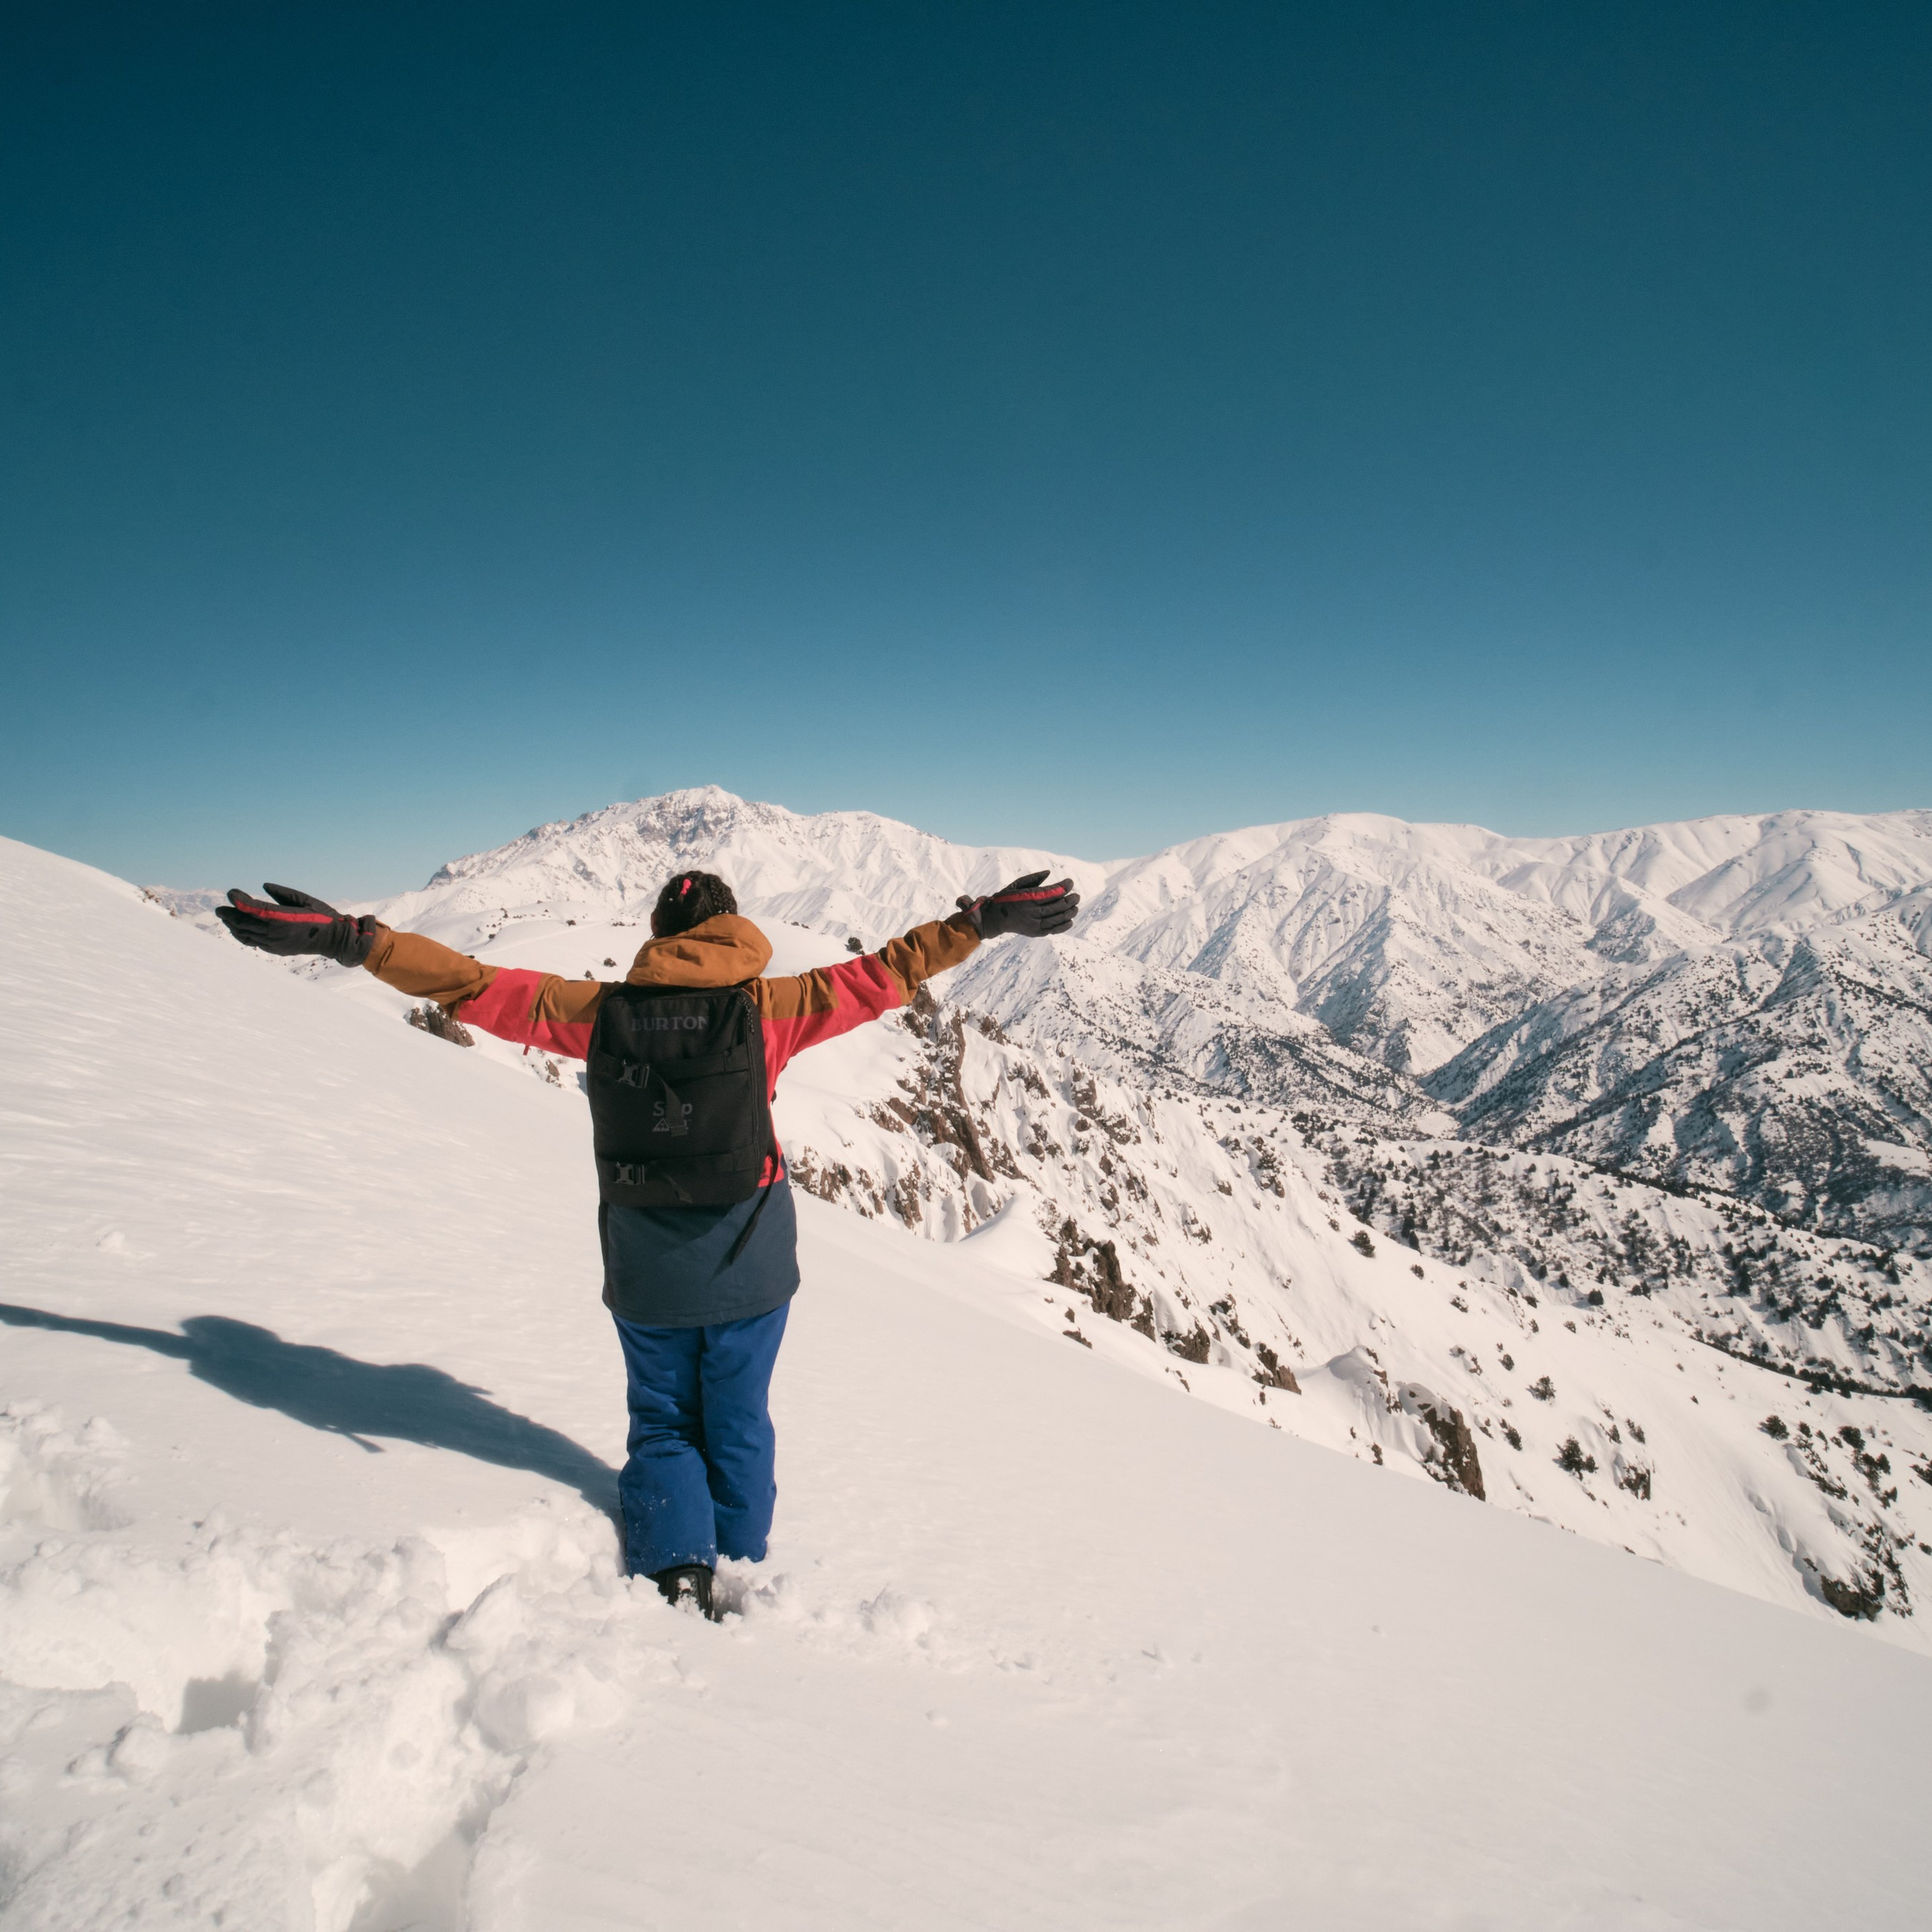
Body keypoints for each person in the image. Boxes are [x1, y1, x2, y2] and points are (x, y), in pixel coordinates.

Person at [214, 865, 1080, 1617]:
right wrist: (979, 923)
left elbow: (470, 986)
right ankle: (742, 1560)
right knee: (738, 1415)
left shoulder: (597, 1013)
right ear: (734, 930)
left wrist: (355, 941)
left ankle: (676, 1568)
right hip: (751, 1266)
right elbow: (886, 973)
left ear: (657, 939)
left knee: (664, 1420)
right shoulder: (770, 1009)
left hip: (646, 1273)